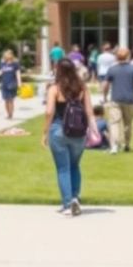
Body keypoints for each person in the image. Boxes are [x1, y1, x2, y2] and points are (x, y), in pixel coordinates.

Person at [42, 59, 96, 216]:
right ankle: (75, 198)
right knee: (75, 166)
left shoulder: (55, 89)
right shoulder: (81, 88)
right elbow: (89, 111)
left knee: (63, 168)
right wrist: (93, 130)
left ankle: (67, 203)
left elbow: (49, 112)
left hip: (59, 129)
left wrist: (45, 132)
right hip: (78, 132)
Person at [104, 47, 133, 154]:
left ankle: (114, 146)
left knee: (114, 123)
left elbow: (106, 85)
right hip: (130, 99)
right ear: (128, 56)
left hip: (115, 99)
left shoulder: (112, 69)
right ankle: (127, 144)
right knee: (128, 123)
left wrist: (104, 97)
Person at [0, 50, 23, 119]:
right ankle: (8, 113)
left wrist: (19, 83)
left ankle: (11, 114)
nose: (7, 58)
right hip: (4, 84)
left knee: (11, 100)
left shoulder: (15, 64)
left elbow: (18, 73)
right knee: (6, 100)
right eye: (6, 56)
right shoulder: (2, 64)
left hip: (12, 84)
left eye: (8, 56)